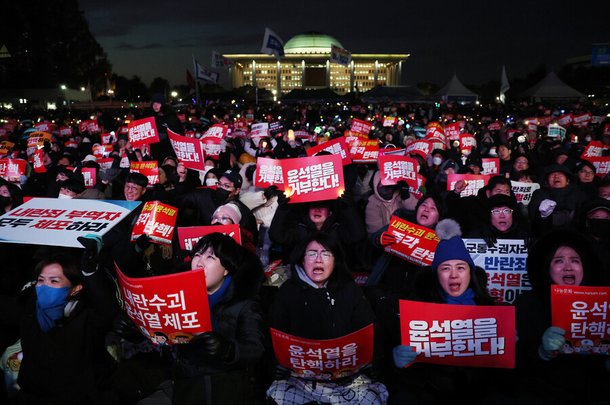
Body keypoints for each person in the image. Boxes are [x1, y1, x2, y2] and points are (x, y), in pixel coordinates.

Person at [379, 219, 501, 404]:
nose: (454, 274)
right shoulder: (418, 310)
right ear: (437, 275)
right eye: (445, 268)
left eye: (460, 267)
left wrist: (507, 344)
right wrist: (397, 360)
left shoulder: (490, 311)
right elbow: (403, 373)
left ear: (470, 273)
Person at [266, 233, 388, 405]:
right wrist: (276, 365)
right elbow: (274, 335)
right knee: (279, 396)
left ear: (335, 260)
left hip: (347, 380)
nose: (318, 260)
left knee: (371, 398)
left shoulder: (350, 290)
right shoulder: (287, 292)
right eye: (312, 253)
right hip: (301, 382)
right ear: (302, 260)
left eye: (325, 253)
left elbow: (370, 332)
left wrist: (373, 362)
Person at [0, 241, 120, 404]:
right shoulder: (29, 306)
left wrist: (90, 272)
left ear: (75, 289)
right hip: (34, 394)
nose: (44, 287)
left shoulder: (86, 316)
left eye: (54, 281)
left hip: (78, 397)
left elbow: (106, 312)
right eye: (41, 280)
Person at [167, 233, 266, 404]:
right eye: (197, 255)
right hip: (187, 386)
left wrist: (228, 349)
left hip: (226, 389)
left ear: (226, 268)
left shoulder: (243, 303)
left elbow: (255, 348)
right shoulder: (176, 297)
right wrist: (140, 329)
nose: (200, 262)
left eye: (210, 257)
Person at [514, 228, 609, 403]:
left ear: (584, 268)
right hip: (539, 394)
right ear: (547, 269)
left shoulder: (603, 304)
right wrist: (540, 352)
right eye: (558, 261)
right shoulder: (526, 304)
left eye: (575, 261)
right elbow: (516, 360)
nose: (567, 267)